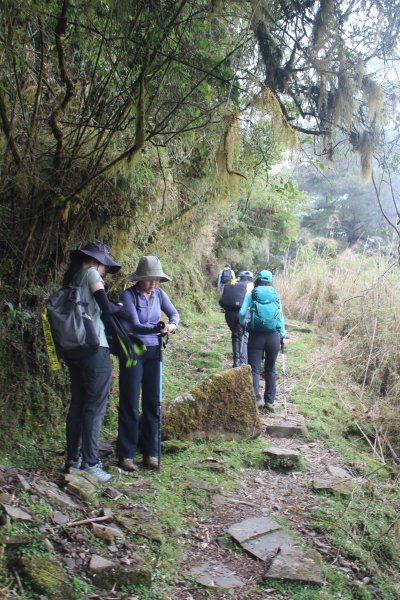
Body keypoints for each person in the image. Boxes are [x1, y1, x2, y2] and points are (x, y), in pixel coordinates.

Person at [63, 241, 125, 482]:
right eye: (106, 267)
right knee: (95, 405)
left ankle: (73, 459)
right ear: (97, 261)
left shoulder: (72, 277)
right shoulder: (90, 273)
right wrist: (121, 308)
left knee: (78, 403)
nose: (106, 272)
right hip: (94, 345)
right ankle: (91, 462)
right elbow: (105, 307)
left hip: (74, 348)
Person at [117, 256, 180, 471]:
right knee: (130, 400)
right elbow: (135, 324)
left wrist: (171, 326)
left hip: (155, 352)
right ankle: (126, 454)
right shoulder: (128, 295)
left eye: (156, 279)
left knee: (153, 402)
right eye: (148, 279)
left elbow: (174, 314)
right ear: (139, 279)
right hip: (133, 352)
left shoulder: (159, 294)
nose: (153, 283)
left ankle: (151, 452)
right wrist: (157, 328)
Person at [239, 269, 285, 411]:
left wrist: (243, 324)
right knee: (270, 369)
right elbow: (281, 317)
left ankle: (256, 398)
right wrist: (281, 335)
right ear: (270, 281)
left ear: (258, 279)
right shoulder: (275, 295)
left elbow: (241, 313)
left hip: (256, 336)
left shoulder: (252, 294)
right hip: (273, 337)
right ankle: (270, 401)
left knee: (255, 369)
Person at [219, 270, 253, 367]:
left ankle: (236, 361)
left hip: (229, 314)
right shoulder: (251, 285)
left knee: (235, 335)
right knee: (244, 336)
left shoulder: (234, 284)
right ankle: (242, 362)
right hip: (242, 313)